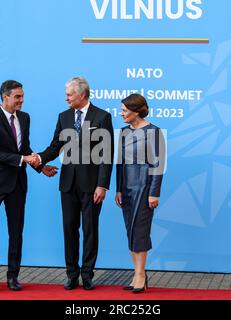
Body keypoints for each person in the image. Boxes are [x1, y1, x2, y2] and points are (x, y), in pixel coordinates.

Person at [0, 80, 57, 293]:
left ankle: (13, 276)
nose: (22, 100)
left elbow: (24, 148)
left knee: (16, 231)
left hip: (18, 184)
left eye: (22, 96)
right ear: (5, 97)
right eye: (17, 97)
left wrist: (41, 166)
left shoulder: (24, 118)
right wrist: (24, 160)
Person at [38, 76, 114, 290]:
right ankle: (72, 274)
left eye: (69, 95)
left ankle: (87, 274)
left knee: (90, 230)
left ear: (82, 95)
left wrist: (102, 185)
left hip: (92, 186)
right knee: (69, 229)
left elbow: (107, 154)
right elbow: (55, 147)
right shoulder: (63, 117)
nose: (66, 98)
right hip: (68, 184)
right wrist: (39, 160)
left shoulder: (102, 117)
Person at [115, 94, 165, 293]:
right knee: (130, 231)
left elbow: (158, 165)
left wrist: (154, 193)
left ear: (136, 111)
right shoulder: (124, 132)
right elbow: (119, 164)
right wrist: (118, 188)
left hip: (144, 188)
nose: (121, 114)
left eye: (125, 110)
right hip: (126, 189)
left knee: (140, 231)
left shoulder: (154, 132)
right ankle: (137, 273)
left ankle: (140, 274)